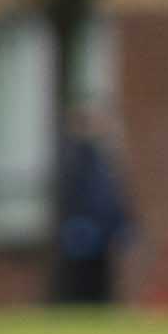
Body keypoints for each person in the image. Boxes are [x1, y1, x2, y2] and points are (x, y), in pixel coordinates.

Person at [45, 112, 135, 310]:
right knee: (80, 285)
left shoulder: (104, 158)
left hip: (102, 235)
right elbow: (68, 194)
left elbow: (114, 197)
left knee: (100, 283)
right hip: (82, 235)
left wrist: (123, 224)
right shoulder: (76, 157)